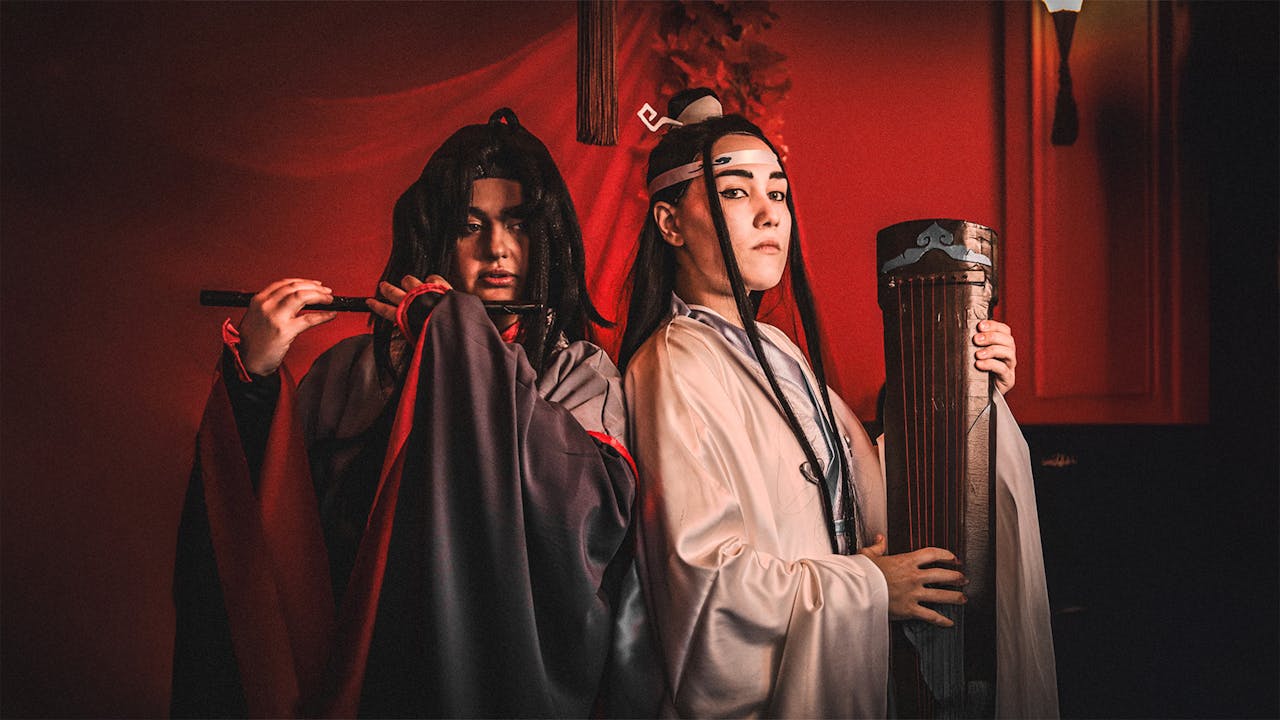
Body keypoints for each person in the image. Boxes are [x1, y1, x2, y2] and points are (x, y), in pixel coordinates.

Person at [172, 109, 656, 718]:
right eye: (469, 226)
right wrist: (257, 377)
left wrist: (454, 338)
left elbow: (586, 528)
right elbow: (271, 529)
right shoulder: (354, 371)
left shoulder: (579, 374)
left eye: (518, 225)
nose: (498, 249)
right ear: (435, 239)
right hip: (365, 680)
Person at [620, 89, 1058, 718]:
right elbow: (707, 582)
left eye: (778, 192)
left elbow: (864, 492)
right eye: (736, 192)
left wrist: (974, 400)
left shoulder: (776, 349)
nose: (770, 214)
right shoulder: (672, 364)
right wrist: (868, 588)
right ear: (669, 223)